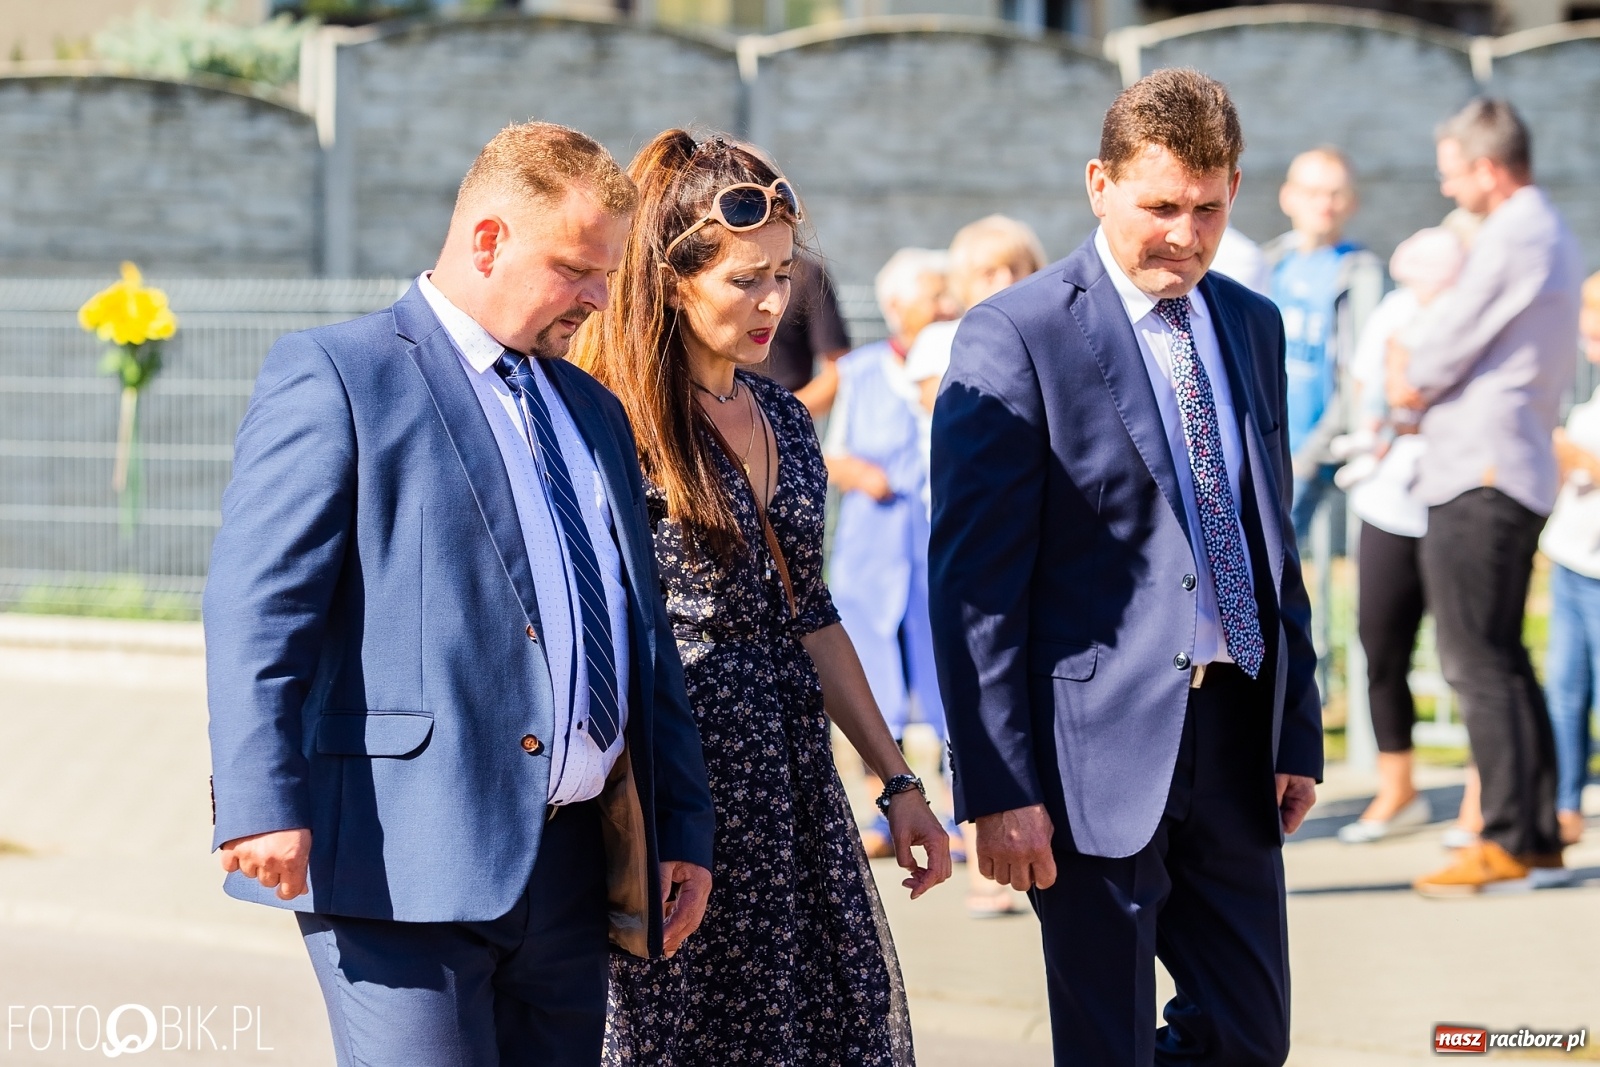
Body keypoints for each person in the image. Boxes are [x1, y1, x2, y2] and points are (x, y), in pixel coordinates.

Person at [204, 122, 717, 1067]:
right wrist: (258, 797)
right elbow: (259, 607)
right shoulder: (342, 374)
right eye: (576, 269)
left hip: (569, 869)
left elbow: (639, 630)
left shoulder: (592, 410)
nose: (599, 299)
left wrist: (680, 823)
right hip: (401, 855)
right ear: (488, 240)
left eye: (607, 274)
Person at [930, 69, 1320, 1065]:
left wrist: (1297, 726)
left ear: (1235, 189)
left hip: (1235, 733)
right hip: (1087, 757)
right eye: (1159, 208)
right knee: (1108, 1045)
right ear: (1099, 184)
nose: (1184, 235)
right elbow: (974, 589)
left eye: (1207, 208)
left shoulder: (1251, 323)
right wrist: (995, 784)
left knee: (1249, 1035)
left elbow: (1272, 538)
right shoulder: (1016, 334)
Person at [571, 130, 951, 1067]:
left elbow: (809, 613)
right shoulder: (611, 416)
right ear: (670, 280)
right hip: (675, 787)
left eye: (784, 274)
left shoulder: (784, 413)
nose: (775, 301)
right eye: (746, 279)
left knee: (810, 1030)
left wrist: (898, 781)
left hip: (790, 786)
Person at [1389, 97, 1583, 895]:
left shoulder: (1513, 233)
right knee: (1500, 655)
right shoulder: (1545, 229)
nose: (1445, 187)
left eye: (1452, 172)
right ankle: (1533, 832)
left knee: (1473, 657)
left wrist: (1408, 372)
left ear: (1488, 169)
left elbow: (1450, 335)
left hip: (1482, 468)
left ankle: (1502, 835)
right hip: (1505, 463)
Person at [823, 247, 960, 863]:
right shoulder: (861, 371)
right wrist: (862, 474)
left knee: (946, 682)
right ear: (899, 306)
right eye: (935, 296)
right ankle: (884, 813)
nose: (947, 305)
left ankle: (958, 812)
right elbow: (833, 452)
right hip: (873, 551)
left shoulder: (961, 361)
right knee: (872, 684)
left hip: (934, 547)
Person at [1332, 226, 1467, 844]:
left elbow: (1417, 387)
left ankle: (1483, 804)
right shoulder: (1395, 309)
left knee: (1466, 654)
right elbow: (1377, 387)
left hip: (1453, 497)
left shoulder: (1470, 316)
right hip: (1388, 499)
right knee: (1380, 643)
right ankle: (1398, 788)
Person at [1264, 147, 1385, 542]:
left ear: (1352, 201)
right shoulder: (1270, 263)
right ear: (1288, 197)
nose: (1324, 203)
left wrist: (1312, 454)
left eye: (1335, 193)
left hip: (1317, 448)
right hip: (1269, 443)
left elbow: (1359, 370)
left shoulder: (1360, 272)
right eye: (1313, 192)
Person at [1537, 269, 1600, 848]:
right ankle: (1564, 807)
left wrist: (1574, 455)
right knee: (1564, 690)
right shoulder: (1593, 390)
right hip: (1573, 559)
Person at [906, 213, 1047, 417]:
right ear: (964, 283)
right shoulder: (936, 341)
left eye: (1015, 269)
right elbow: (950, 410)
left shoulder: (1049, 337)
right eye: (989, 273)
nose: (1006, 281)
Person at [754, 250, 852, 417]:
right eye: (742, 281)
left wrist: (779, 415)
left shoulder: (807, 273)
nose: (774, 306)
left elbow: (840, 369)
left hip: (782, 415)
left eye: (782, 278)